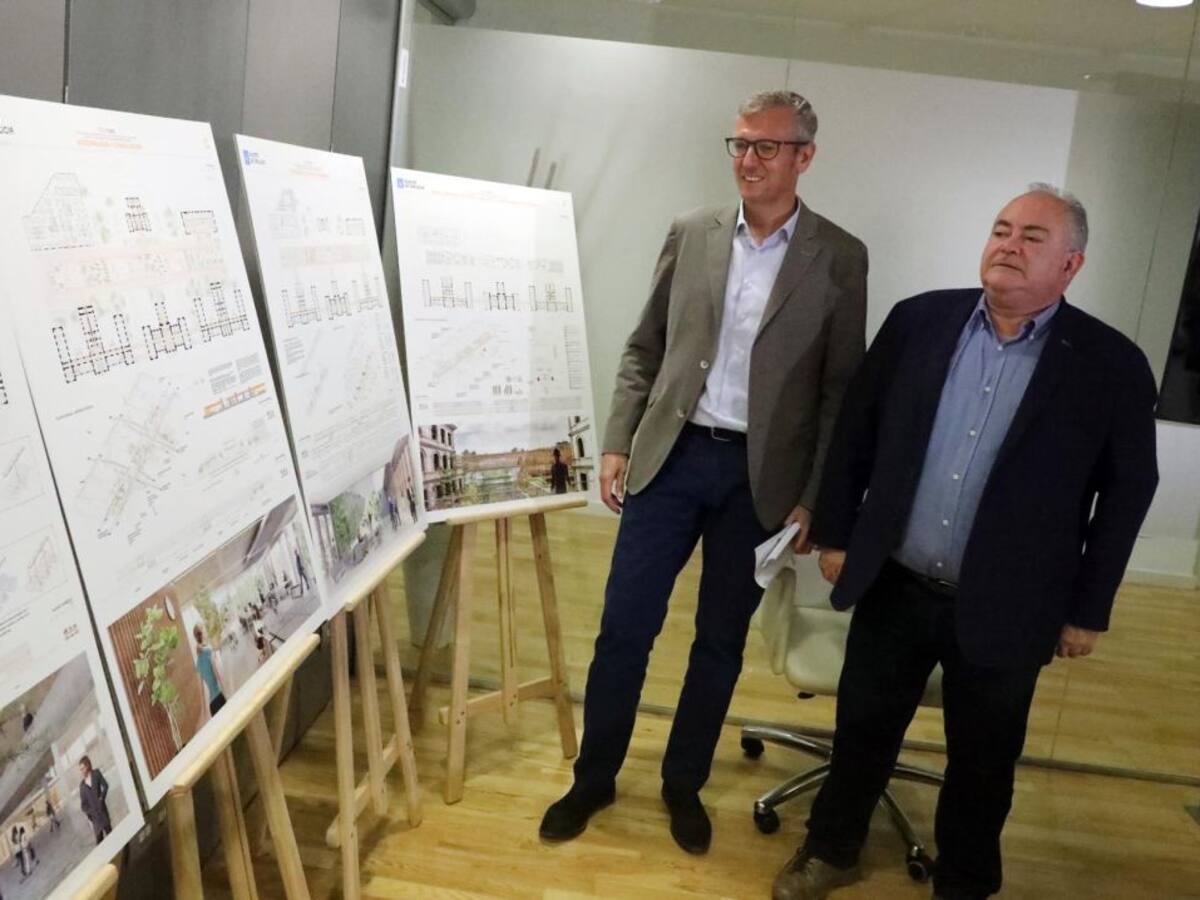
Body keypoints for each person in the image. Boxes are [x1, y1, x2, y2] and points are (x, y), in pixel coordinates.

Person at [772, 186, 1159, 900]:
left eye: (1032, 237)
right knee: (862, 730)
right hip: (896, 582)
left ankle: (966, 882)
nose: (1008, 244)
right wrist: (837, 533)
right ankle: (830, 848)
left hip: (1013, 603)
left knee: (984, 761)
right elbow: (856, 429)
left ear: (1071, 264)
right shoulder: (919, 321)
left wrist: (1088, 609)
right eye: (1001, 229)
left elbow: (1128, 494)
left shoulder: (1111, 365)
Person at [540, 89, 868, 855]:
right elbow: (644, 346)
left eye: (765, 147)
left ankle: (683, 783)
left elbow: (840, 394)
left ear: (805, 157)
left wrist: (815, 498)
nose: (747, 160)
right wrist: (618, 440)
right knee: (625, 627)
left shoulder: (839, 256)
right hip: (673, 455)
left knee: (719, 640)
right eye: (739, 144)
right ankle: (594, 776)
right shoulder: (694, 232)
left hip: (761, 481)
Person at [193, 623, 228, 717]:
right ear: (203, 634)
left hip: (212, 706)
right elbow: (218, 675)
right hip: (220, 698)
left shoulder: (197, 664)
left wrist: (205, 713)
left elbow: (201, 691)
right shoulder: (209, 651)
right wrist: (226, 695)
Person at [79, 756, 112, 845]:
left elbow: (105, 786)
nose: (81, 771)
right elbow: (83, 806)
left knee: (111, 835)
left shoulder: (96, 774)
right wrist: (91, 812)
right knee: (99, 842)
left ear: (88, 766)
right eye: (80, 770)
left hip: (103, 813)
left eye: (83, 768)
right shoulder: (82, 786)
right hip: (95, 819)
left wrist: (101, 798)